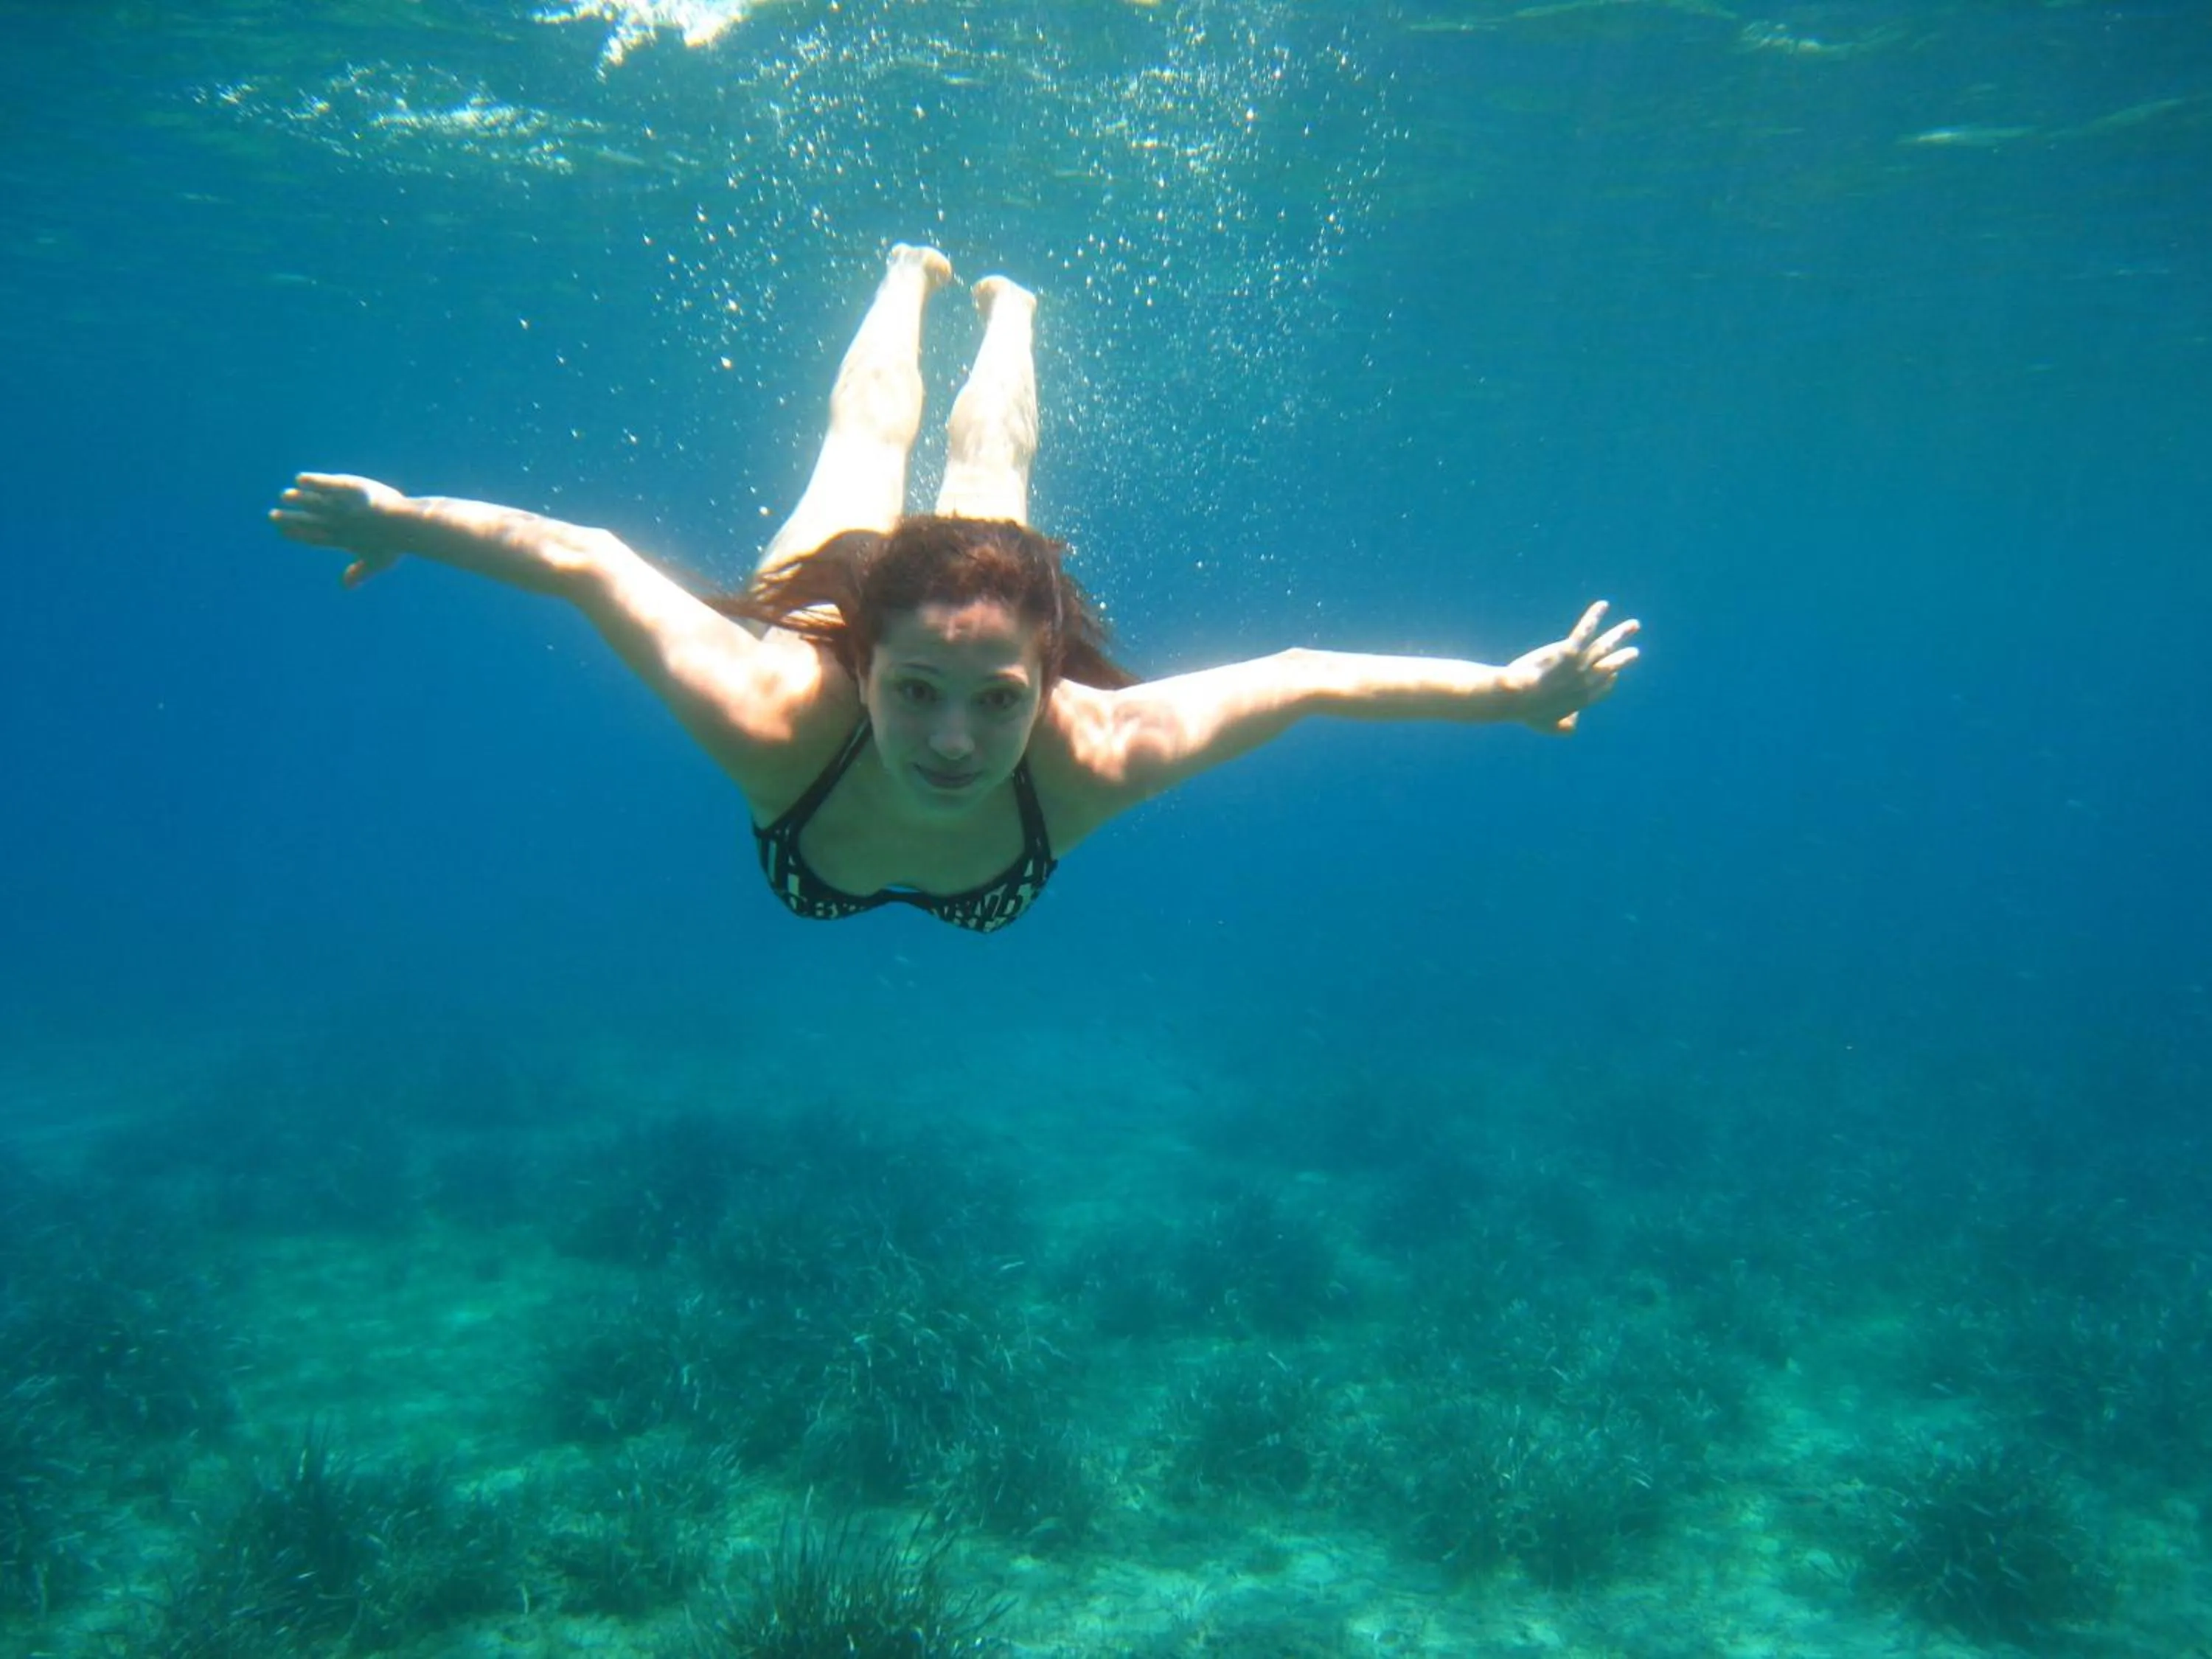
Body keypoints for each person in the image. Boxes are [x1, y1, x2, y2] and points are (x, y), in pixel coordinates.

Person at [271, 243, 1640, 933]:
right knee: (861, 454)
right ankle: (906, 268)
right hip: (835, 597)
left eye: (996, 700)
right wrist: (414, 522)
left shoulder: (1085, 750)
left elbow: (1300, 680)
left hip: (953, 609)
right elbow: (583, 562)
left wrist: (1510, 697)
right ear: (864, 664)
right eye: (918, 691)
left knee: (990, 472)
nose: (951, 740)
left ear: (1046, 681)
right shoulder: (776, 699)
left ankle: (1016, 308)